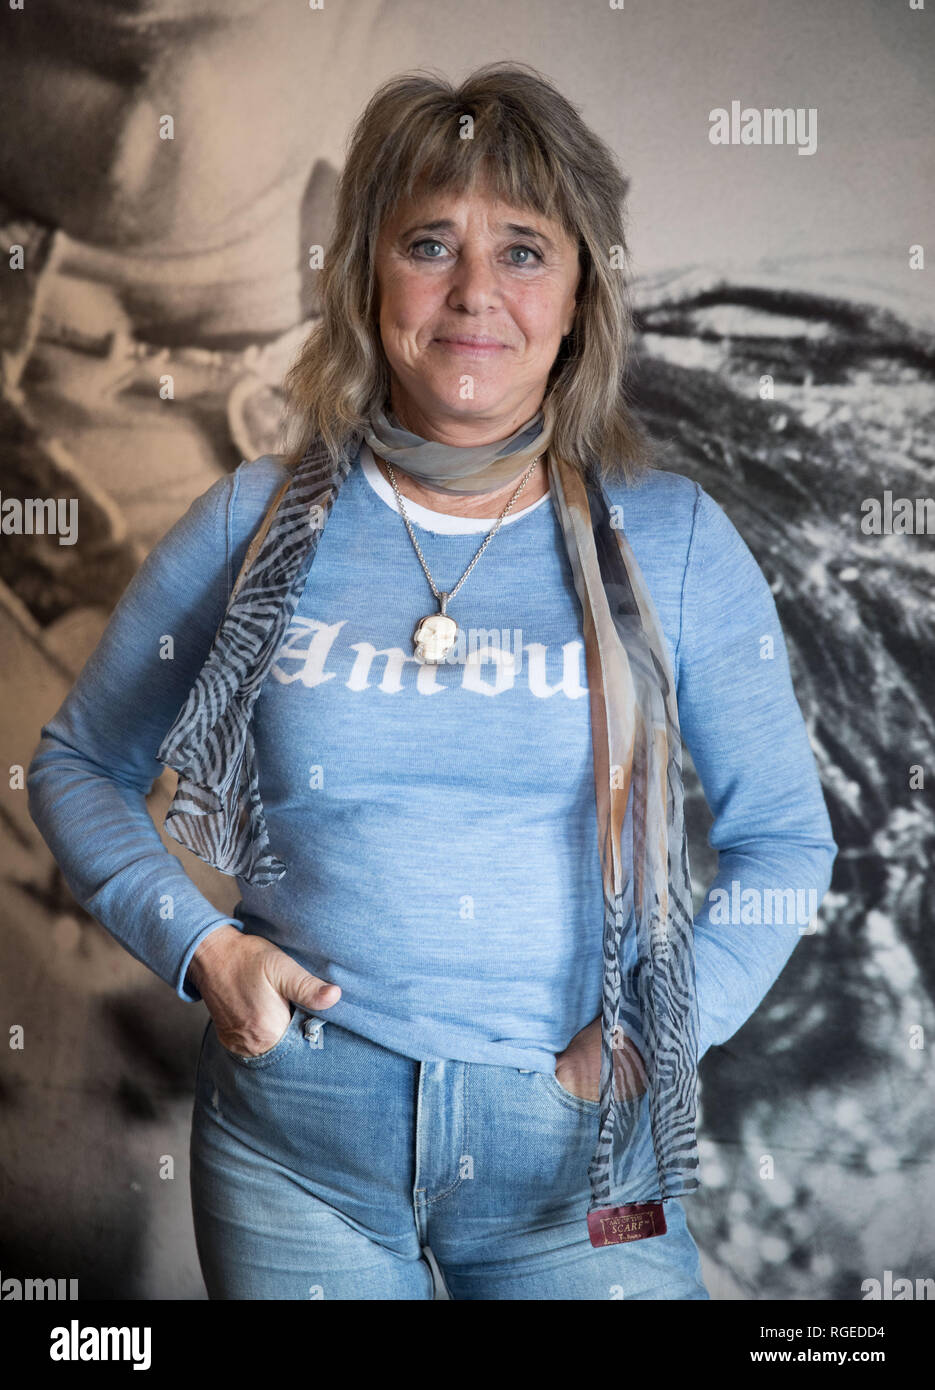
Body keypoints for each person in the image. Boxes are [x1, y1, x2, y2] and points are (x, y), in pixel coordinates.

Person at [27, 63, 837, 1300]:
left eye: (521, 251)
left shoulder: (668, 540)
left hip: (575, 1158)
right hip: (297, 1157)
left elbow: (783, 839)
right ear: (366, 275)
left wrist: (656, 1032)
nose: (472, 292)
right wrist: (206, 954)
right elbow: (78, 765)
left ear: (578, 296)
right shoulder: (255, 518)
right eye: (428, 245)